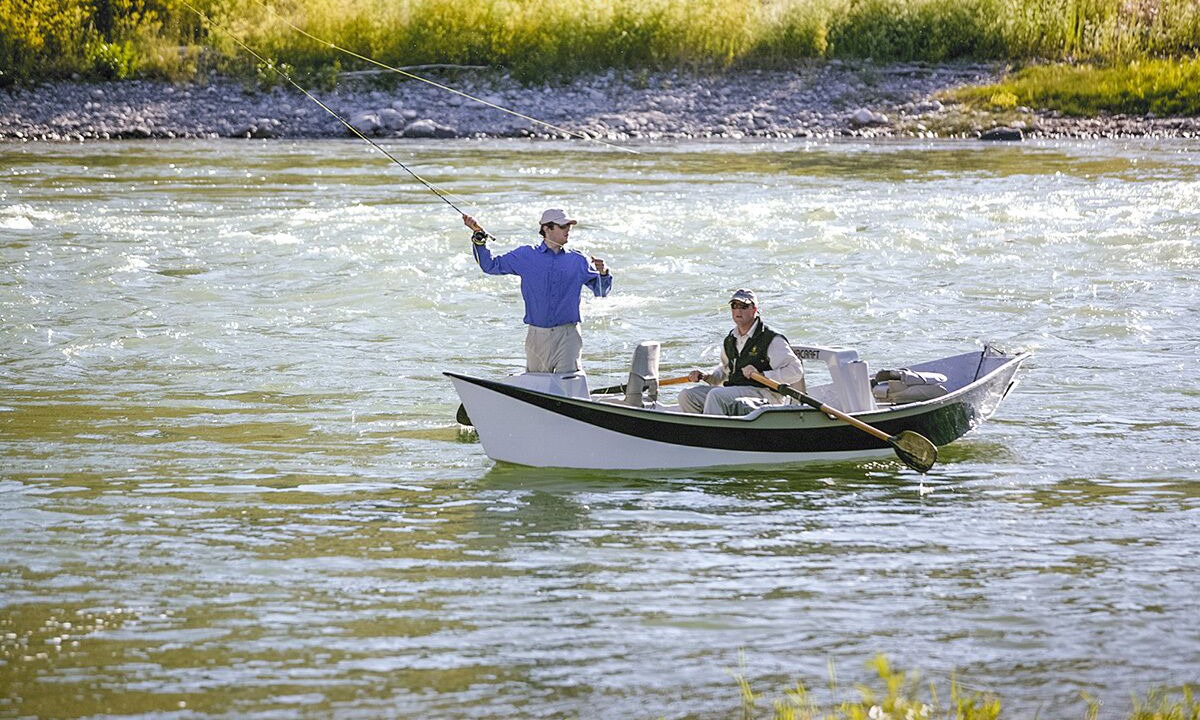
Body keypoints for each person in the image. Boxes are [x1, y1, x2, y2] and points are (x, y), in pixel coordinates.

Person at [462, 208, 612, 373]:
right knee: (538, 386)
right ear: (547, 228)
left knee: (569, 385)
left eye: (569, 225)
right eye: (563, 226)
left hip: (569, 336)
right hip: (537, 336)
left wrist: (604, 272)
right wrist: (479, 238)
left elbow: (601, 292)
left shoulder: (579, 260)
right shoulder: (525, 255)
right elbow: (490, 266)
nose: (568, 229)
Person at [678, 289, 806, 416]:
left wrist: (762, 374)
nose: (738, 310)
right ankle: (700, 432)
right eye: (735, 306)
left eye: (744, 306)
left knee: (716, 396)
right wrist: (706, 375)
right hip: (735, 390)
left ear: (754, 310)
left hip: (765, 395)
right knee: (687, 395)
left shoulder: (771, 339)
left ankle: (713, 433)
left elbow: (796, 371)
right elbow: (724, 372)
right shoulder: (730, 339)